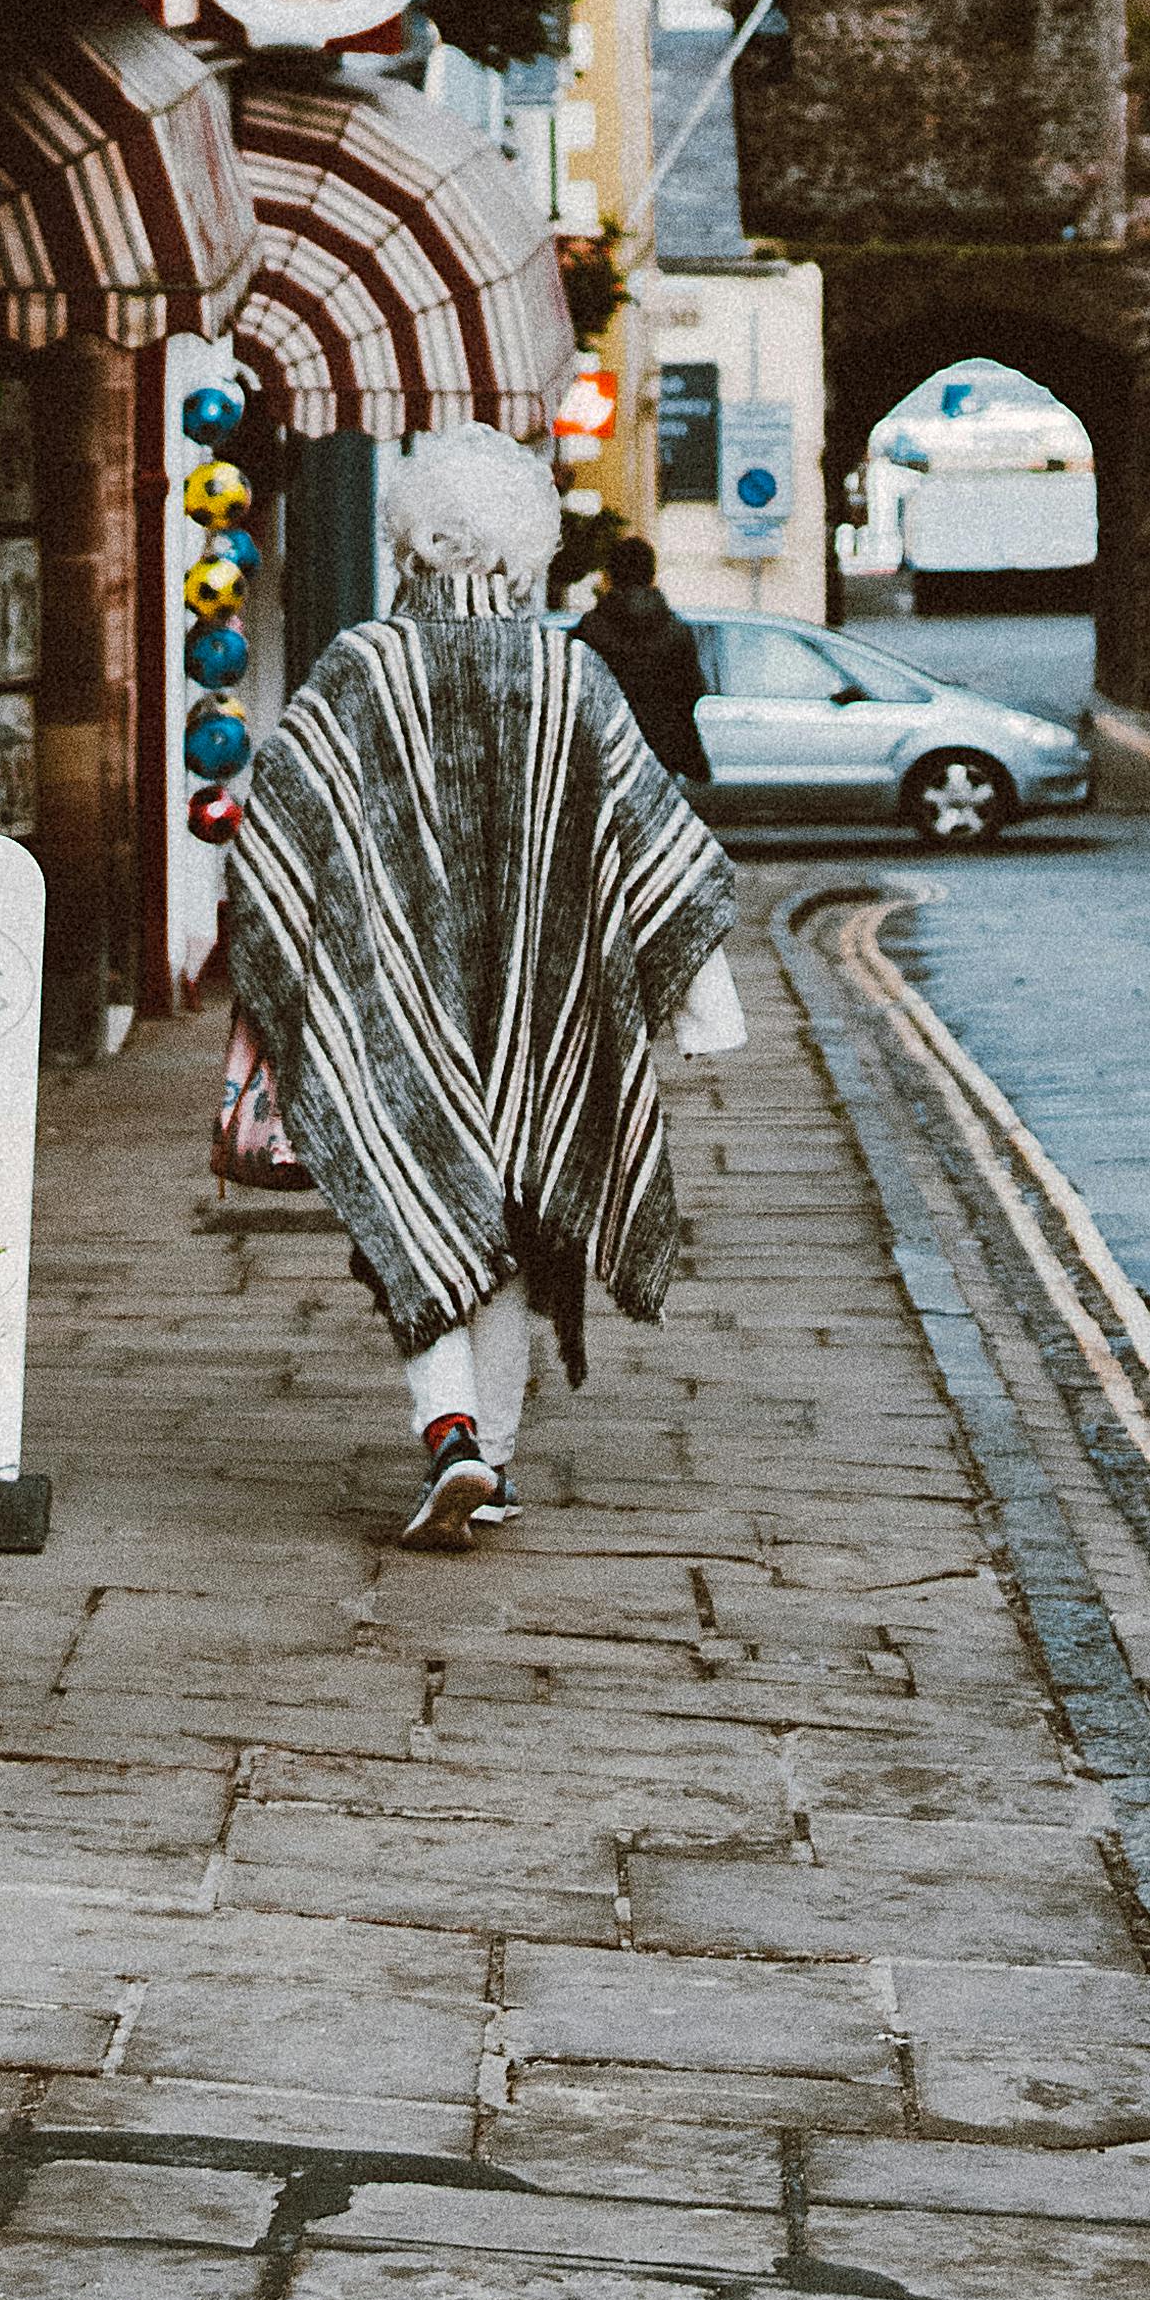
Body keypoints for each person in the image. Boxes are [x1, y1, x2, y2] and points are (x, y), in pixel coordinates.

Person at [223, 424, 746, 1550]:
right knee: (511, 1223)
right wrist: (703, 1004)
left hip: (389, 1001)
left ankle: (451, 1431)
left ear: (412, 540)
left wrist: (293, 964)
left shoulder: (361, 669)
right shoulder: (567, 676)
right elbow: (657, 838)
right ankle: (489, 1459)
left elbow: (276, 829)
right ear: (527, 551)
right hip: (540, 999)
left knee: (413, 1201)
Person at [576, 530, 711, 789]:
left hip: (607, 747)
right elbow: (692, 690)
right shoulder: (676, 631)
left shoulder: (590, 630)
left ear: (611, 575)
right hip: (662, 751)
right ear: (652, 574)